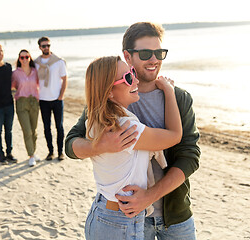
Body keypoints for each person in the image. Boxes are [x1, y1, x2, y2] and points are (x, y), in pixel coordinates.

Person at [65, 22, 201, 239]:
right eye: (146, 53)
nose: (154, 59)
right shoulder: (109, 100)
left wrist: (150, 196)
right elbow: (71, 144)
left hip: (176, 216)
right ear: (128, 56)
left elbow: (190, 157)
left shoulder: (178, 97)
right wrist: (98, 146)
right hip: (129, 217)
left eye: (159, 53)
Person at [83, 56, 182, 240]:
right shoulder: (126, 129)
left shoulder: (94, 121)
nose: (135, 80)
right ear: (109, 92)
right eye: (128, 78)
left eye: (133, 73)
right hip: (118, 222)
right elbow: (175, 136)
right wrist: (169, 91)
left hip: (102, 213)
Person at [34, 37, 67, 161]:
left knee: (59, 126)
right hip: (43, 100)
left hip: (57, 99)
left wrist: (61, 96)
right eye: (43, 46)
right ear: (39, 47)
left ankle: (60, 152)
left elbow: (64, 79)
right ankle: (50, 152)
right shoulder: (36, 63)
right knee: (46, 127)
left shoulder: (58, 62)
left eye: (48, 45)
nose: (46, 48)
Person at [11, 49, 40, 167]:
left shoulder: (35, 71)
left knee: (34, 131)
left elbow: (42, 84)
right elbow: (11, 87)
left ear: (30, 58)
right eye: (22, 57)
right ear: (19, 59)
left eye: (26, 57)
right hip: (21, 103)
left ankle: (33, 151)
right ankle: (31, 155)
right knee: (27, 131)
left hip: (34, 102)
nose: (24, 60)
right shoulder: (15, 73)